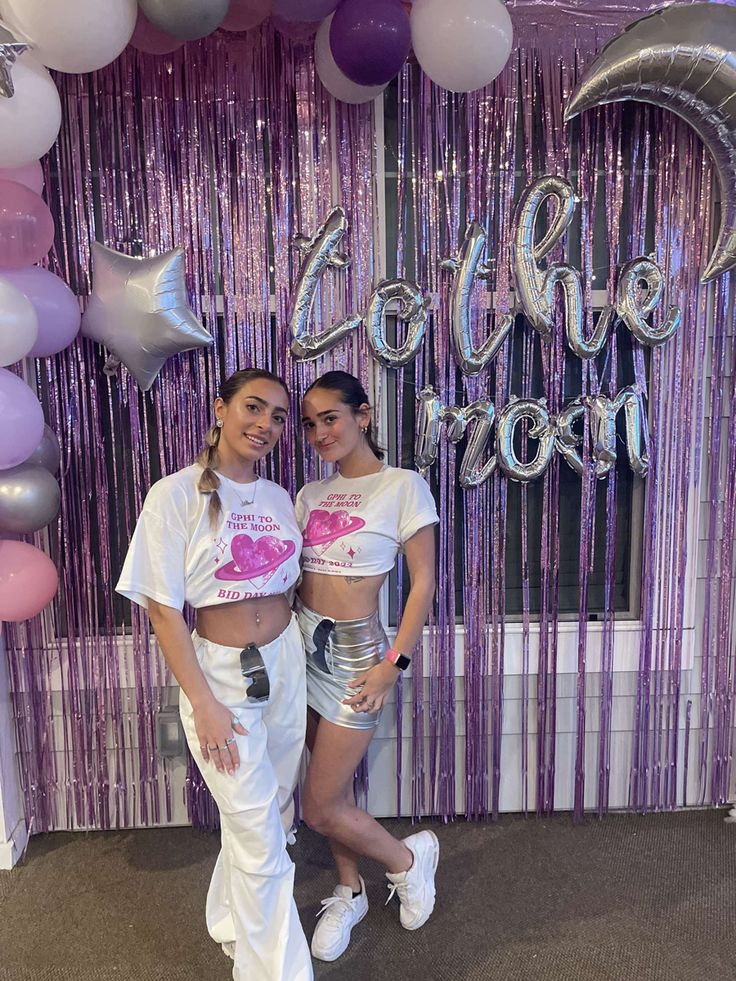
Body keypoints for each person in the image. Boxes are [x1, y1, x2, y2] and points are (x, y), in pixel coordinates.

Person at [116, 368, 312, 981]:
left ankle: (229, 920)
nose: (266, 425)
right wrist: (201, 702)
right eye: (254, 408)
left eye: (279, 416)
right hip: (219, 677)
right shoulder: (173, 496)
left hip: (285, 661)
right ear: (220, 409)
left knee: (272, 813)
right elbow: (163, 610)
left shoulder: (280, 497)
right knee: (260, 836)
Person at [294, 369, 440, 962]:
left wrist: (392, 664)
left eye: (331, 417)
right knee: (336, 785)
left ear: (364, 415)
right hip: (300, 645)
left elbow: (424, 582)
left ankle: (407, 862)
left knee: (319, 804)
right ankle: (349, 888)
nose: (319, 432)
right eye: (309, 424)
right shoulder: (308, 494)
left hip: (358, 654)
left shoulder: (403, 486)